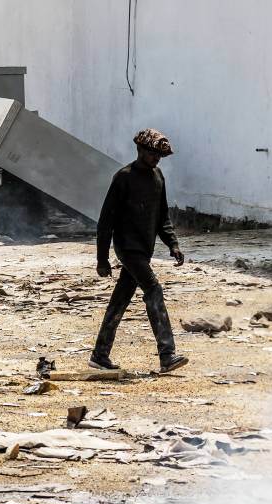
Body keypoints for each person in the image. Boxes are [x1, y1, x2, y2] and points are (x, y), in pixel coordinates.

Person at [89, 128, 190, 374]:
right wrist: (102, 259)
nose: (156, 158)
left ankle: (100, 355)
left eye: (159, 155)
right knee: (154, 290)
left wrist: (173, 244)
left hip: (144, 250)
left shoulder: (158, 177)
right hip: (128, 249)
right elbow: (106, 222)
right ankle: (167, 355)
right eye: (153, 154)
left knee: (120, 301)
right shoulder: (123, 178)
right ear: (140, 150)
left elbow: (162, 217)